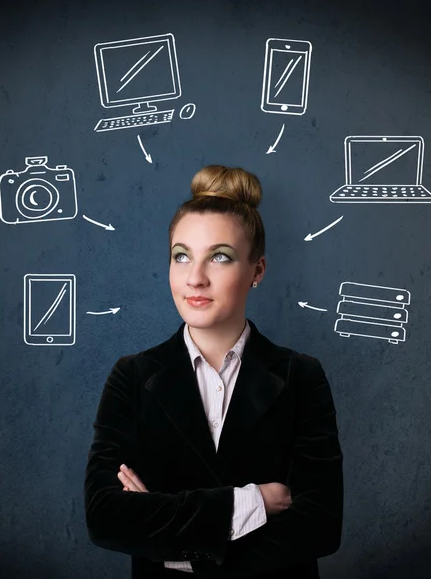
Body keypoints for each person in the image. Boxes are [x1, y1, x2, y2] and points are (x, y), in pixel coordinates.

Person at [84, 165, 344, 579]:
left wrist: (173, 540)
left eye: (219, 257)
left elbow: (319, 527)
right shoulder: (132, 377)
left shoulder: (301, 376)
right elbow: (107, 516)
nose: (195, 278)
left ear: (256, 271)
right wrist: (251, 502)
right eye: (181, 255)